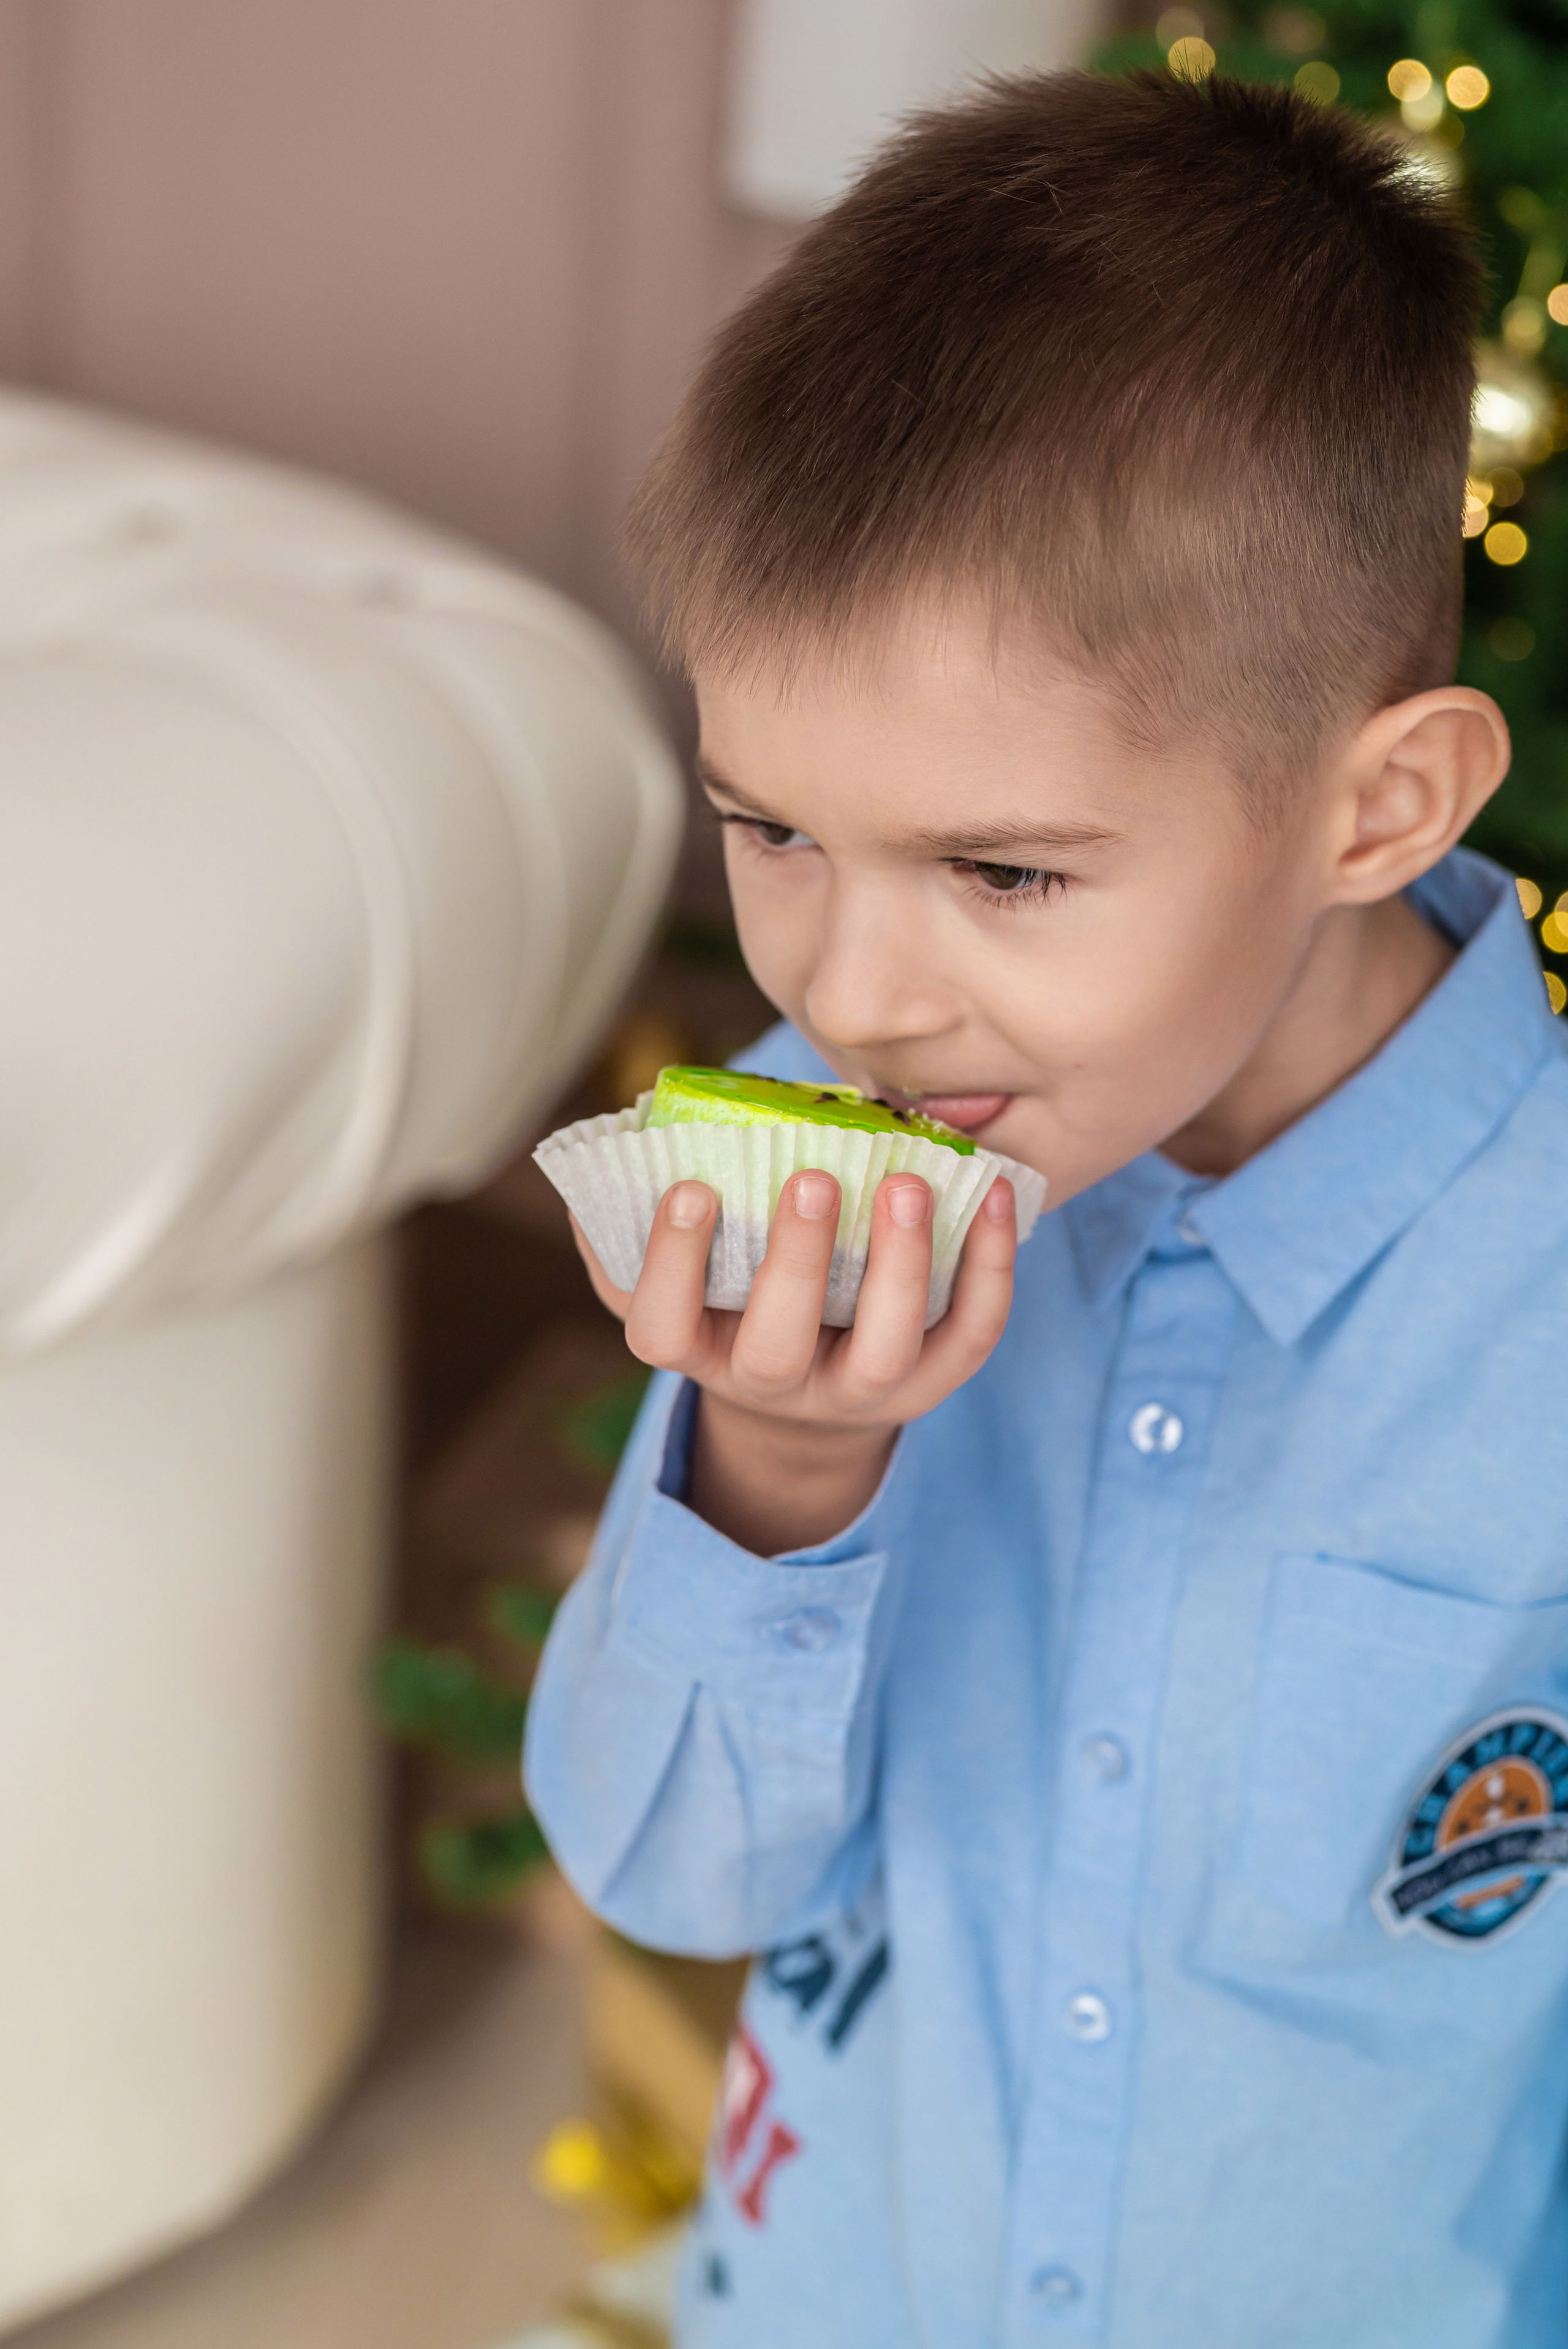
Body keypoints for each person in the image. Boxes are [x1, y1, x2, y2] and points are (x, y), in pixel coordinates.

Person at [526, 69, 1568, 2348]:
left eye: (1000, 872)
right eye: (774, 829)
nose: (852, 994)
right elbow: (667, 1876)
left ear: (1380, 805)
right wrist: (777, 1476)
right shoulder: (810, 1157)